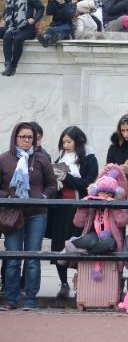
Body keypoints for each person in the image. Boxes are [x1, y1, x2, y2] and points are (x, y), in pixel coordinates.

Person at [1, 121, 57, 309]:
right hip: (12, 214)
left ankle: (31, 299)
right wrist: (8, 195)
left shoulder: (41, 159)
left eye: (30, 137)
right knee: (13, 258)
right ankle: (11, 299)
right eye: (22, 137)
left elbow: (52, 184)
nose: (26, 140)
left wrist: (43, 196)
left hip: (36, 213)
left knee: (32, 258)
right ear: (15, 138)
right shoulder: (4, 159)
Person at [47, 126, 97, 301]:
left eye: (69, 141)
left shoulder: (89, 159)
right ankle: (64, 284)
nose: (65, 145)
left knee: (79, 246)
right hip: (62, 208)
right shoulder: (60, 158)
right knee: (60, 246)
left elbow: (89, 184)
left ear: (78, 141)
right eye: (63, 141)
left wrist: (66, 178)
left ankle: (81, 284)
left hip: (80, 209)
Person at [2, 0, 44, 76]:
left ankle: (13, 66)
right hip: (13, 27)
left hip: (28, 28)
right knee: (7, 36)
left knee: (18, 39)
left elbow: (41, 8)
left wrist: (34, 19)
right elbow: (6, 11)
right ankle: (8, 64)